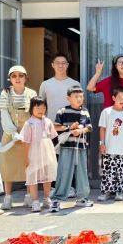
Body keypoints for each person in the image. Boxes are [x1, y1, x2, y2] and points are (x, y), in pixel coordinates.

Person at [87, 55, 123, 192]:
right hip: (110, 121)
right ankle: (112, 184)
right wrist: (98, 73)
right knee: (110, 152)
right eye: (120, 62)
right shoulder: (109, 81)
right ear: (115, 66)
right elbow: (90, 87)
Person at [39, 52, 79, 199]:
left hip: (71, 126)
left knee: (70, 157)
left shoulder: (74, 84)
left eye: (63, 63)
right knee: (52, 158)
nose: (60, 65)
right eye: (57, 63)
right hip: (52, 127)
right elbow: (40, 106)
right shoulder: (46, 84)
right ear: (52, 65)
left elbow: (79, 105)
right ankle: (55, 187)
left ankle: (71, 186)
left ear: (67, 65)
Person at [0, 65, 38, 210]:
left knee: (28, 165)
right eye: (14, 76)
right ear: (10, 78)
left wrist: (26, 133)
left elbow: (35, 114)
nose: (17, 78)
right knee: (7, 165)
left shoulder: (32, 93)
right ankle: (7, 197)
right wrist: (13, 133)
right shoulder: (5, 93)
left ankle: (29, 196)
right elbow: (4, 114)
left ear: (26, 78)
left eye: (21, 75)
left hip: (28, 133)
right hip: (10, 134)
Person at [50, 85, 93, 212]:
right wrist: (70, 128)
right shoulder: (62, 111)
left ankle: (82, 198)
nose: (79, 99)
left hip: (81, 146)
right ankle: (56, 200)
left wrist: (81, 130)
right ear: (68, 98)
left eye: (81, 96)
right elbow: (55, 127)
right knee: (64, 171)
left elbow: (89, 127)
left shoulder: (85, 111)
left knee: (82, 172)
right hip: (66, 146)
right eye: (76, 96)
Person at [20, 97, 58, 213]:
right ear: (31, 109)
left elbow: (53, 137)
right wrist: (25, 158)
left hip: (47, 151)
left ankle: (47, 198)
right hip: (33, 152)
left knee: (48, 176)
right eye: (37, 107)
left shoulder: (48, 121)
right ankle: (35, 201)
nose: (41, 110)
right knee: (33, 176)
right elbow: (25, 142)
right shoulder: (29, 123)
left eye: (43, 107)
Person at [97, 86, 123, 202]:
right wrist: (102, 143)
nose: (122, 100)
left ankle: (119, 191)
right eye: (119, 97)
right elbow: (102, 129)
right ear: (113, 98)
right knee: (108, 171)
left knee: (122, 171)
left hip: (122, 149)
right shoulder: (106, 112)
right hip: (109, 148)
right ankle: (106, 192)